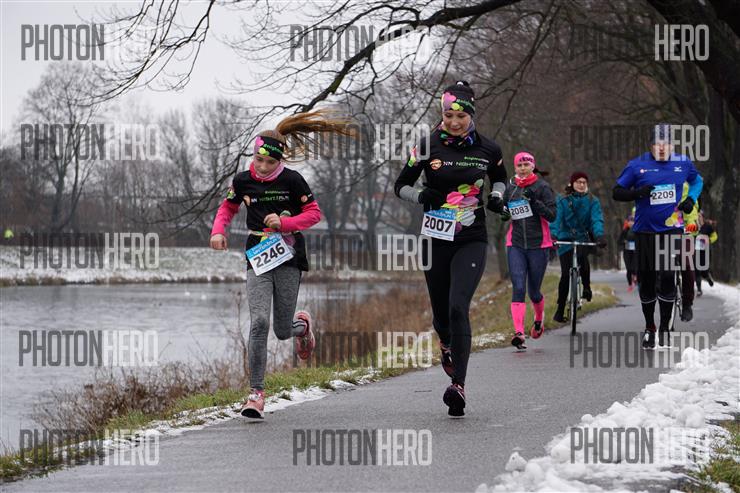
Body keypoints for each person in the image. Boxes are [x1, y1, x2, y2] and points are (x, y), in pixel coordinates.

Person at [209, 110, 355, 419]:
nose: (263, 167)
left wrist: (286, 223)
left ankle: (302, 327)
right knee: (259, 322)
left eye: (270, 162)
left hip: (288, 256)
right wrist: (218, 231)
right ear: (253, 155)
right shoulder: (243, 180)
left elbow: (314, 214)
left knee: (282, 330)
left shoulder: (293, 180)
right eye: (258, 160)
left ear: (280, 160)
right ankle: (256, 394)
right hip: (257, 255)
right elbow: (227, 208)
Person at [394, 80, 506, 417]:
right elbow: (400, 185)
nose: (454, 122)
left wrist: (496, 195)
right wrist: (421, 195)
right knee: (442, 314)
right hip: (434, 239)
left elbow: (501, 179)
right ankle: (445, 341)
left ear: (471, 114)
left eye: (460, 115)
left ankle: (458, 385)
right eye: (448, 115)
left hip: (471, 237)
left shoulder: (489, 149)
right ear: (441, 114)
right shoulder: (426, 146)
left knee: (459, 306)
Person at [612, 123, 703, 349]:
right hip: (644, 231)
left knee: (668, 276)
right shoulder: (636, 165)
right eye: (657, 144)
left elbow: (697, 181)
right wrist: (636, 193)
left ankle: (664, 327)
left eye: (666, 143)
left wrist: (690, 199)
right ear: (651, 145)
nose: (662, 148)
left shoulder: (683, 163)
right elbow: (617, 192)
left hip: (671, 230)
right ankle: (649, 327)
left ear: (672, 145)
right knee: (648, 281)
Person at [499, 152, 557, 350]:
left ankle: (539, 319)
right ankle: (519, 333)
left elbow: (552, 215)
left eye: (526, 164)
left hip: (538, 245)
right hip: (515, 244)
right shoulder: (511, 188)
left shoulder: (542, 187)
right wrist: (503, 212)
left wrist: (534, 202)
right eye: (519, 165)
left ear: (533, 166)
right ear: (515, 167)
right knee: (518, 287)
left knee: (533, 292)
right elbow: (506, 211)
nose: (523, 168)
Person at [550, 171, 606, 323]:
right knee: (565, 275)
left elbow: (596, 219)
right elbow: (556, 218)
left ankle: (586, 287)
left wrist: (599, 235)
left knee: (583, 261)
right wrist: (553, 235)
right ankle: (560, 309)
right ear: (572, 183)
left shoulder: (592, 200)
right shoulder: (562, 199)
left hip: (582, 237)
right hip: (565, 238)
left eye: (584, 182)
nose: (581, 185)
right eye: (578, 182)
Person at [694, 213, 717, 296]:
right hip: (697, 251)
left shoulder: (708, 227)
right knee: (697, 270)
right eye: (697, 216)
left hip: (706, 251)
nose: (698, 218)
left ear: (703, 218)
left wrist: (709, 240)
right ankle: (699, 290)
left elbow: (715, 236)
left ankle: (708, 277)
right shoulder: (694, 227)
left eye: (699, 216)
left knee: (704, 271)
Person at [618, 211, 638, 292]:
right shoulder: (625, 231)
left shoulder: (637, 231)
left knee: (634, 268)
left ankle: (635, 277)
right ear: (627, 222)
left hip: (635, 252)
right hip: (627, 252)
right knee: (629, 269)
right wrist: (624, 241)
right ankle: (630, 284)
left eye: (632, 221)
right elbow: (619, 241)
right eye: (629, 221)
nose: (631, 223)